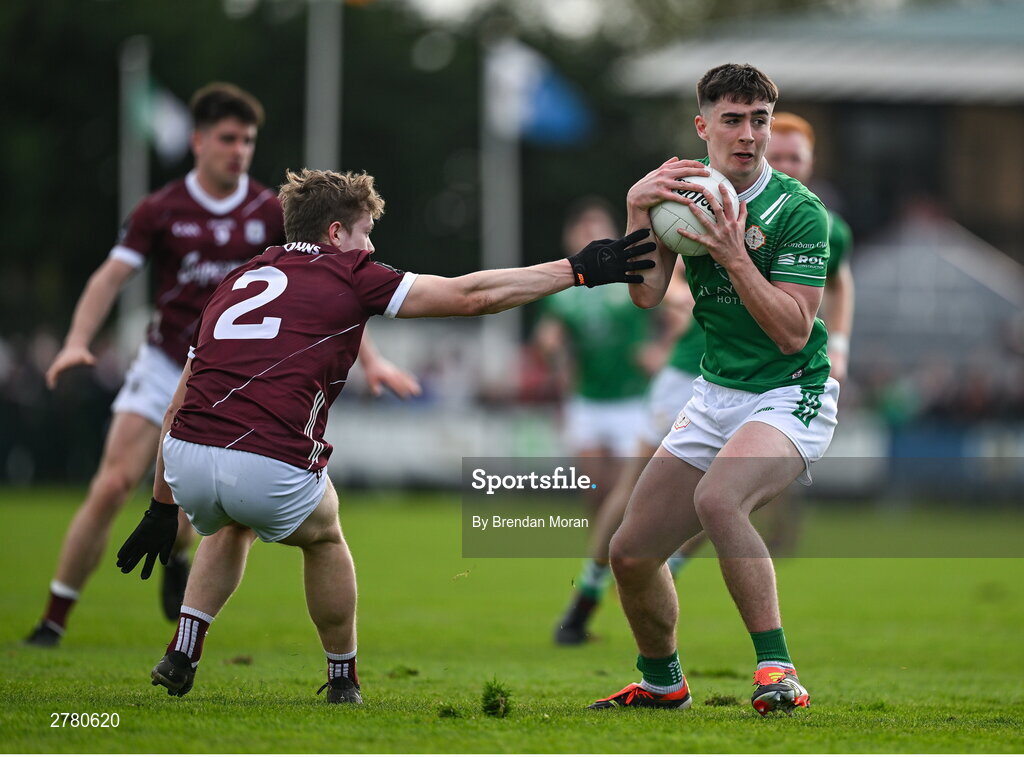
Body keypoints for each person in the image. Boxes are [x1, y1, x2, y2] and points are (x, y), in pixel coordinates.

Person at [114, 167, 657, 703]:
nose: (370, 245)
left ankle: (182, 650)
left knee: (230, 525)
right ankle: (343, 677)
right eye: (365, 232)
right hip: (266, 463)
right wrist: (577, 269)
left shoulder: (235, 280)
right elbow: (473, 296)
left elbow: (173, 409)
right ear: (334, 234)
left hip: (184, 457)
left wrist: (162, 508)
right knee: (324, 535)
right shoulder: (351, 273)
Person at [26, 83, 416, 648]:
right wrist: (76, 339)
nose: (239, 151)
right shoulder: (161, 209)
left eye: (248, 140)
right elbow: (111, 276)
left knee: (208, 493)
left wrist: (372, 361)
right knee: (112, 483)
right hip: (169, 359)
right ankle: (54, 619)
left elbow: (331, 290)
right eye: (228, 139)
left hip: (238, 372)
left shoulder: (265, 209)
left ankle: (181, 555)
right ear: (198, 141)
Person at [587, 63, 839, 716]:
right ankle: (662, 682)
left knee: (721, 499)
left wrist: (732, 254)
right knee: (631, 552)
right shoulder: (682, 197)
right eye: (733, 119)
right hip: (716, 392)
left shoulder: (799, 212)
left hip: (792, 392)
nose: (748, 133)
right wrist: (637, 209)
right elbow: (645, 296)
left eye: (758, 119)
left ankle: (778, 670)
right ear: (703, 126)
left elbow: (792, 332)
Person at [533, 198, 659, 504]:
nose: (589, 232)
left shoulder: (632, 277)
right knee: (593, 489)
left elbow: (679, 313)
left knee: (622, 491)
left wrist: (661, 351)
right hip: (587, 398)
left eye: (597, 225)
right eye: (583, 226)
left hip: (631, 398)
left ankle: (616, 551)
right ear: (570, 236)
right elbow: (547, 338)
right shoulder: (563, 288)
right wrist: (552, 352)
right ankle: (600, 552)